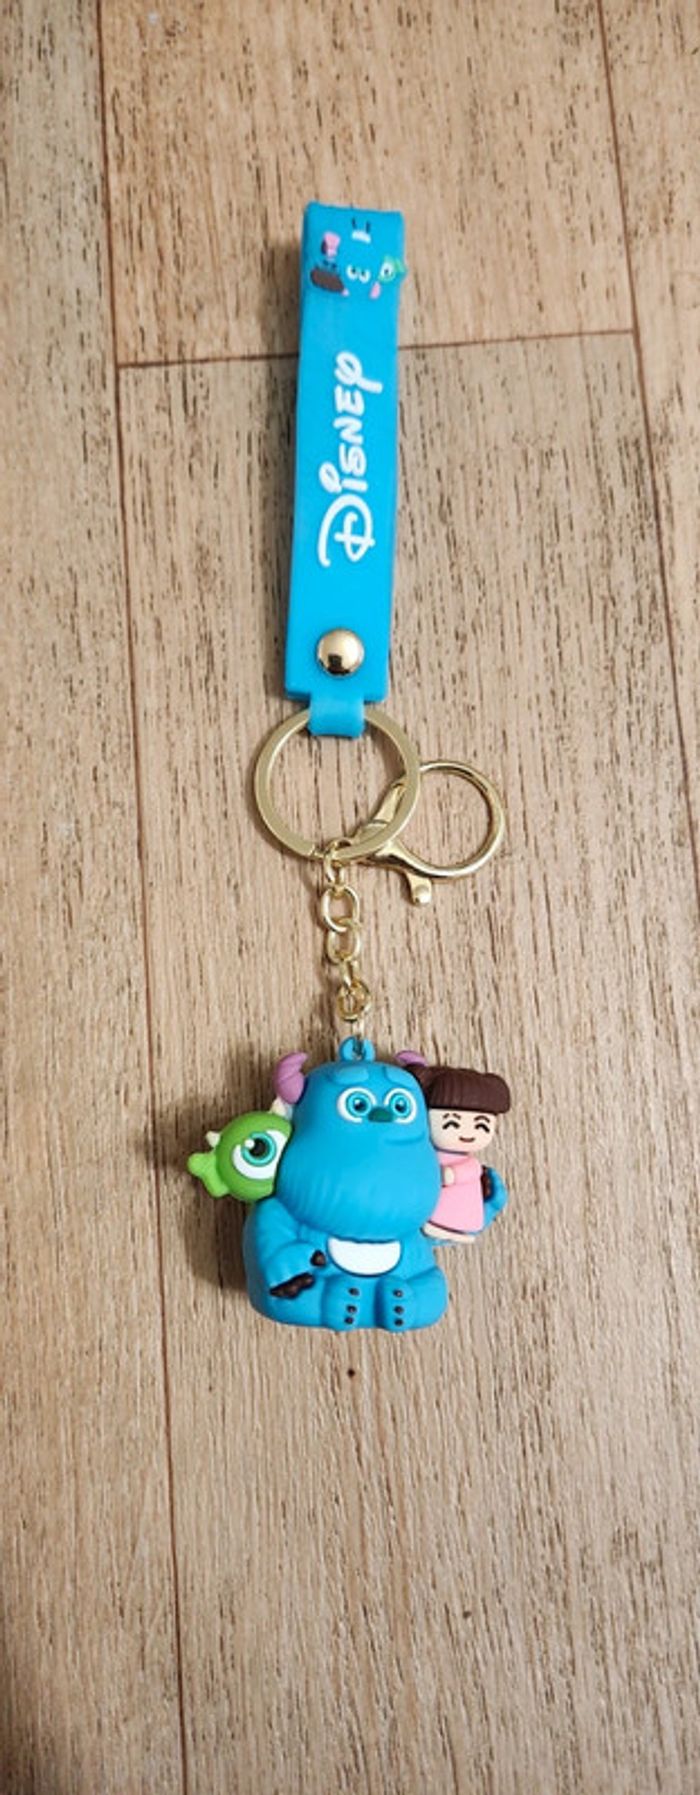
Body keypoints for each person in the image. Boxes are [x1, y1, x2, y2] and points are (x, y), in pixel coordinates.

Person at [409, 1064, 511, 1242]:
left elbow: (470, 1170)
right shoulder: (427, 1153)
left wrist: (452, 1174)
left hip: (458, 1209)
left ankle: (452, 1230)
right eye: (452, 1124)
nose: (467, 1133)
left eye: (481, 1125)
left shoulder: (470, 1163)